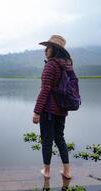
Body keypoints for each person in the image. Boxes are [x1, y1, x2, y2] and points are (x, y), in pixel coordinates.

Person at [32, 35, 75, 180]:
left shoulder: (51, 65)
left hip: (49, 110)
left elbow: (45, 90)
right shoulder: (66, 65)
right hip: (62, 109)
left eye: (48, 47)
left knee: (47, 140)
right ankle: (67, 171)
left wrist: (37, 111)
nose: (45, 50)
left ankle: (47, 171)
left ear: (55, 50)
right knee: (60, 138)